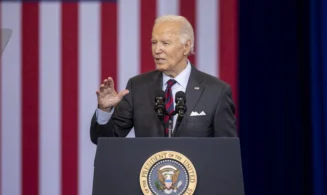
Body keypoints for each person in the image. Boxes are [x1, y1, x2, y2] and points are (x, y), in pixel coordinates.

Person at [90, 15, 237, 144]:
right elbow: (105, 140)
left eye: (165, 43)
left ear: (186, 47)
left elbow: (226, 151)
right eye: (154, 42)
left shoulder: (216, 92)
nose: (157, 50)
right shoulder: (137, 87)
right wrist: (104, 110)